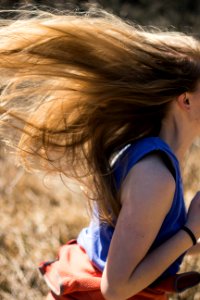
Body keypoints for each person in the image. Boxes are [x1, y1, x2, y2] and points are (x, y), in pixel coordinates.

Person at [0, 7, 200, 300]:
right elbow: (116, 288)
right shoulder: (154, 176)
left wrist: (191, 239)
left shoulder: (150, 157)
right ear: (185, 100)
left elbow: (143, 247)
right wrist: (190, 232)